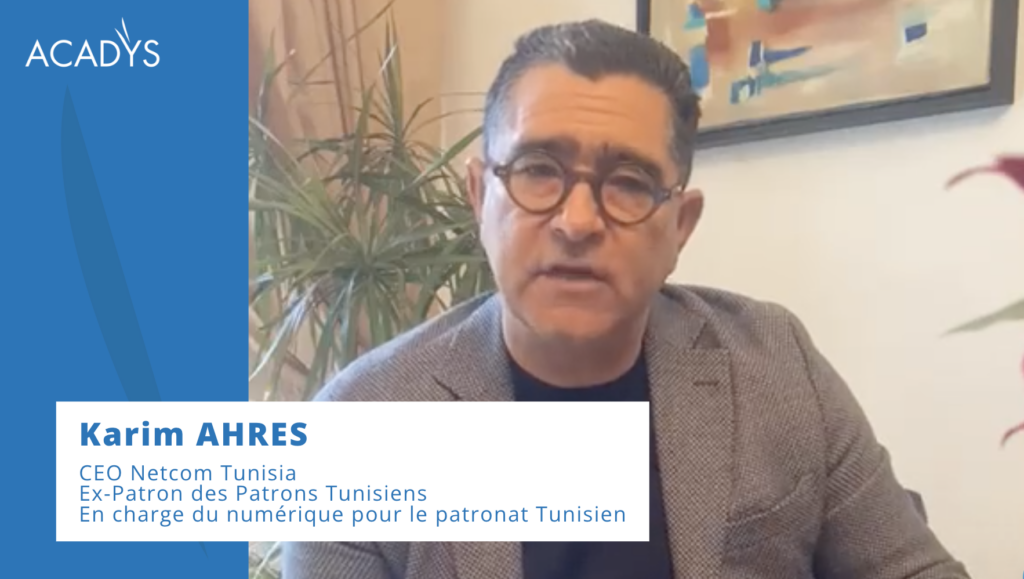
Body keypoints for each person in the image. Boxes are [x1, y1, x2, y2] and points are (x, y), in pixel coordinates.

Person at [283, 19, 969, 579]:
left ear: (680, 226)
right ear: (478, 196)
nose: (578, 221)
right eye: (538, 170)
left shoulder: (776, 364)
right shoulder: (361, 424)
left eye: (630, 182)